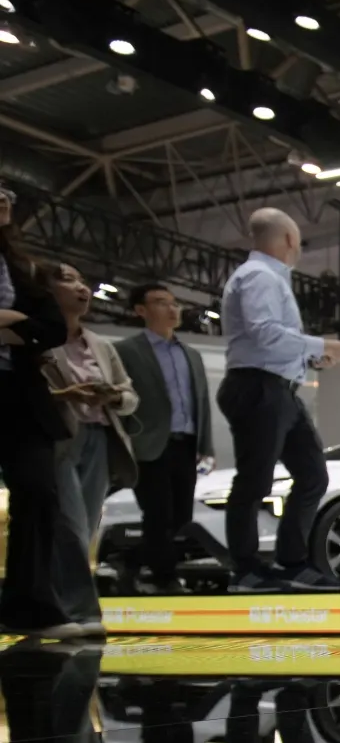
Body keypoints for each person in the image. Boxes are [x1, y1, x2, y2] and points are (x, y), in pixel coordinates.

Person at [217, 208, 340, 592]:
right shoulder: (259, 276)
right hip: (259, 388)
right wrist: (320, 345)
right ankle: (245, 571)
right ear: (290, 239)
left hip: (277, 389)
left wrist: (310, 357)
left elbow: (267, 338)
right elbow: (263, 333)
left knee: (311, 474)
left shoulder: (265, 277)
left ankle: (292, 563)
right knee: (254, 481)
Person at [0, 182, 83, 637]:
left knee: (38, 493)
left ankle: (29, 608)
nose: (3, 199)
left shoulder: (23, 268)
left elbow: (50, 328)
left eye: (6, 193)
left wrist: (9, 322)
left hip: (18, 395)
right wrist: (17, 325)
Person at [42, 262, 138, 633]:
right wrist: (66, 395)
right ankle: (82, 611)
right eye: (69, 280)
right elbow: (25, 393)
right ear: (47, 290)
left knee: (86, 528)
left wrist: (113, 397)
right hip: (59, 439)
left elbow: (130, 396)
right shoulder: (37, 340)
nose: (82, 287)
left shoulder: (100, 344)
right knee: (71, 526)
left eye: (84, 280)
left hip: (100, 439)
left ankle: (63, 605)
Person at [116, 283, 213, 593]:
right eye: (161, 303)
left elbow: (201, 401)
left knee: (182, 516)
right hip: (148, 445)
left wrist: (206, 445)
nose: (172, 309)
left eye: (174, 303)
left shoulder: (192, 355)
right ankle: (164, 578)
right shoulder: (126, 351)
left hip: (186, 443)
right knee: (158, 513)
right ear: (140, 310)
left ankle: (131, 558)